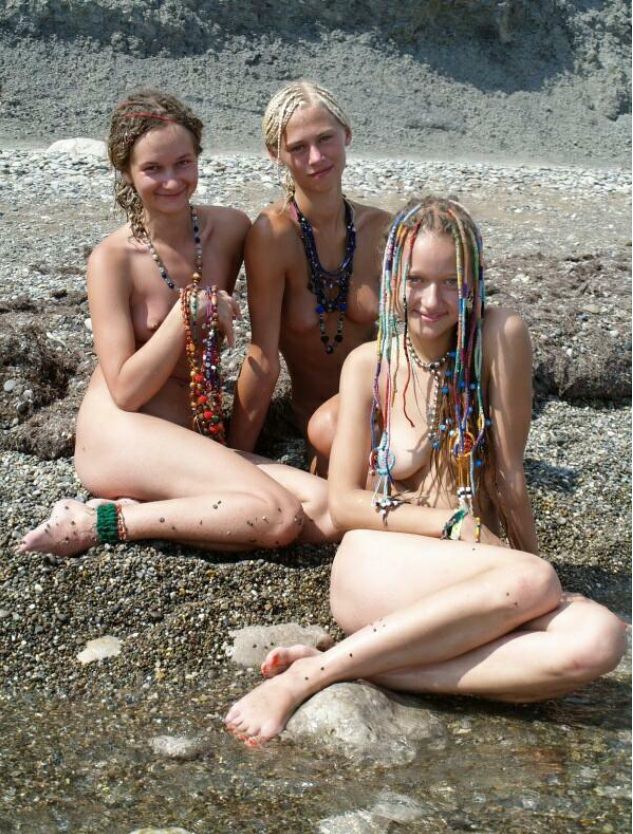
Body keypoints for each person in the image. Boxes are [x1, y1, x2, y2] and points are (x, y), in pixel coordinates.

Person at [225, 197, 626, 745]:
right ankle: (304, 680)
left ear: (474, 280)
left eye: (450, 281)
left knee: (599, 638)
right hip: (379, 563)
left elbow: (509, 475)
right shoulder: (369, 365)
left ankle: (350, 662)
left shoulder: (497, 338)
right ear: (392, 278)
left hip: (473, 576)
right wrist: (451, 525)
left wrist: (539, 572)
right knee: (534, 581)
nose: (432, 300)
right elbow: (343, 504)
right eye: (415, 280)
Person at [19, 90, 336, 558]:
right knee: (279, 516)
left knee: (324, 509)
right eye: (153, 169)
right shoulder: (112, 260)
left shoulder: (228, 230)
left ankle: (153, 506)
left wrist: (234, 446)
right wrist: (186, 313)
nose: (171, 181)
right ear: (126, 171)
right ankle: (96, 520)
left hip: (191, 438)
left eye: (183, 163)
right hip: (122, 432)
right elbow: (125, 388)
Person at [228, 80, 391, 474]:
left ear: (347, 135)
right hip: (314, 422)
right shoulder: (273, 235)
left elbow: (408, 344)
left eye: (326, 139)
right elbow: (263, 358)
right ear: (276, 154)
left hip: (378, 409)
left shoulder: (382, 229)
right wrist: (234, 458)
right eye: (298, 147)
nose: (316, 157)